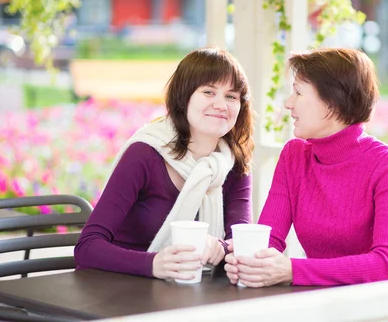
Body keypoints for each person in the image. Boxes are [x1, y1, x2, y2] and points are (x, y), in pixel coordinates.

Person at [225, 47, 388, 287]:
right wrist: (251, 264)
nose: (288, 103)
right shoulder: (294, 156)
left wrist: (293, 270)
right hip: (327, 301)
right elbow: (270, 238)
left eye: (298, 93)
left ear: (332, 103)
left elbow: (386, 264)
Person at [75, 47, 254, 282]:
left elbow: (240, 242)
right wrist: (154, 264)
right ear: (184, 97)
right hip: (116, 290)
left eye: (231, 96)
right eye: (209, 92)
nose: (221, 105)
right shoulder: (144, 154)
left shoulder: (232, 164)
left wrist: (219, 246)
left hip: (186, 295)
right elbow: (87, 248)